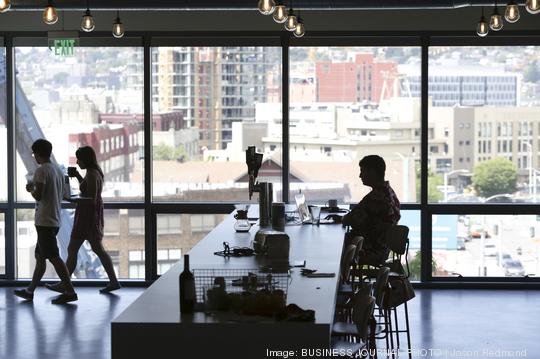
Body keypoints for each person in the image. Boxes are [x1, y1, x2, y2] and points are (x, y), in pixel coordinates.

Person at [47, 146, 120, 293]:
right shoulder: (93, 173)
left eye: (79, 159)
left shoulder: (92, 175)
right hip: (89, 216)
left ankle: (65, 283)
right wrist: (79, 177)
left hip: (88, 216)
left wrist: (73, 200)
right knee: (94, 249)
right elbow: (89, 193)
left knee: (75, 249)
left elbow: (90, 199)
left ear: (86, 159)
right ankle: (113, 281)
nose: (77, 161)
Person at [14, 139, 78, 304]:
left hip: (45, 221)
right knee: (40, 258)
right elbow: (62, 194)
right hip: (53, 219)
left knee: (54, 257)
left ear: (38, 153)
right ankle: (30, 291)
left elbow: (39, 195)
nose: (33, 156)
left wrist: (31, 189)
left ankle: (70, 291)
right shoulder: (57, 170)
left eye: (34, 153)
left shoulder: (41, 171)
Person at [328, 155, 400, 266]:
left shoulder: (376, 198)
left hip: (370, 250)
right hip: (383, 248)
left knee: (331, 246)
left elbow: (349, 220)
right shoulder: (389, 192)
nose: (360, 175)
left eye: (363, 171)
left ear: (372, 172)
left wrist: (341, 218)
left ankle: (335, 280)